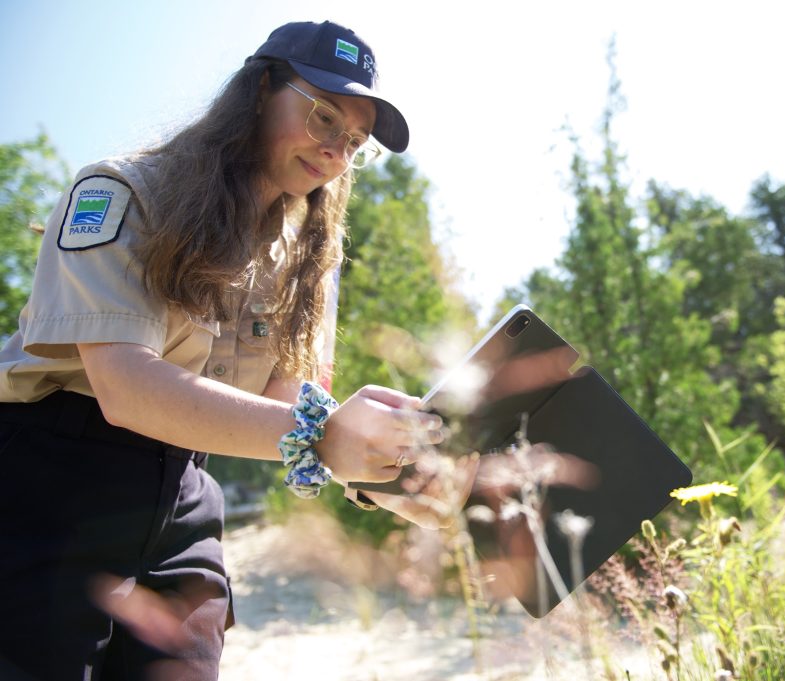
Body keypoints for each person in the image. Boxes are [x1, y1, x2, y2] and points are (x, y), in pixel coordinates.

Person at [0, 20, 469, 681]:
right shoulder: (123, 192)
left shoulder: (307, 262)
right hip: (51, 482)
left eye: (354, 142)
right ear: (259, 91)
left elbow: (286, 405)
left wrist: (383, 465)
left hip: (184, 495)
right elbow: (126, 390)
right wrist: (325, 436)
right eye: (324, 116)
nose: (336, 150)